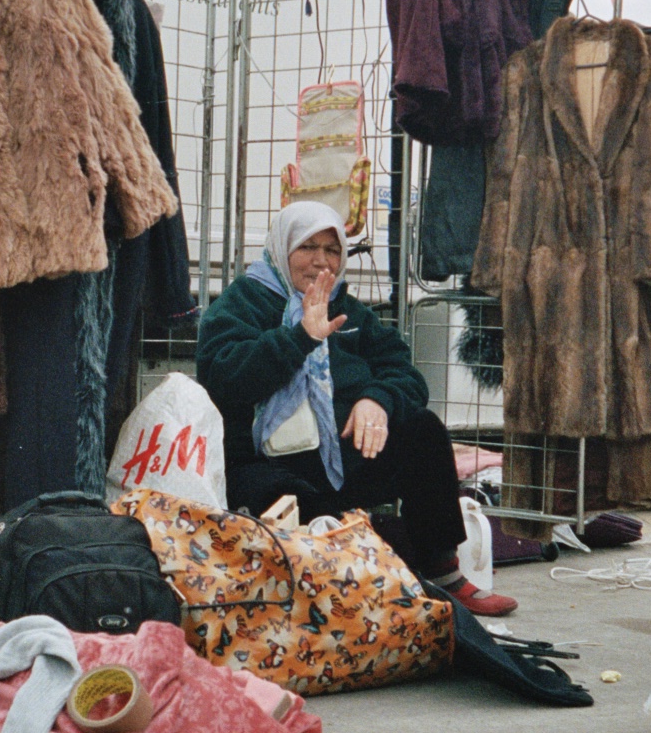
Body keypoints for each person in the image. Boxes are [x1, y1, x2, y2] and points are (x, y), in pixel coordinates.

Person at [196, 202, 517, 616]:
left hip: (346, 459)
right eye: (307, 246)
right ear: (282, 247)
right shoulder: (244, 303)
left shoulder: (350, 309)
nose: (320, 260)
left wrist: (376, 400)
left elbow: (404, 372)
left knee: (423, 431)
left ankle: (444, 573)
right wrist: (299, 338)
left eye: (332, 250)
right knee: (296, 512)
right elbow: (224, 377)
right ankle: (349, 584)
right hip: (265, 465)